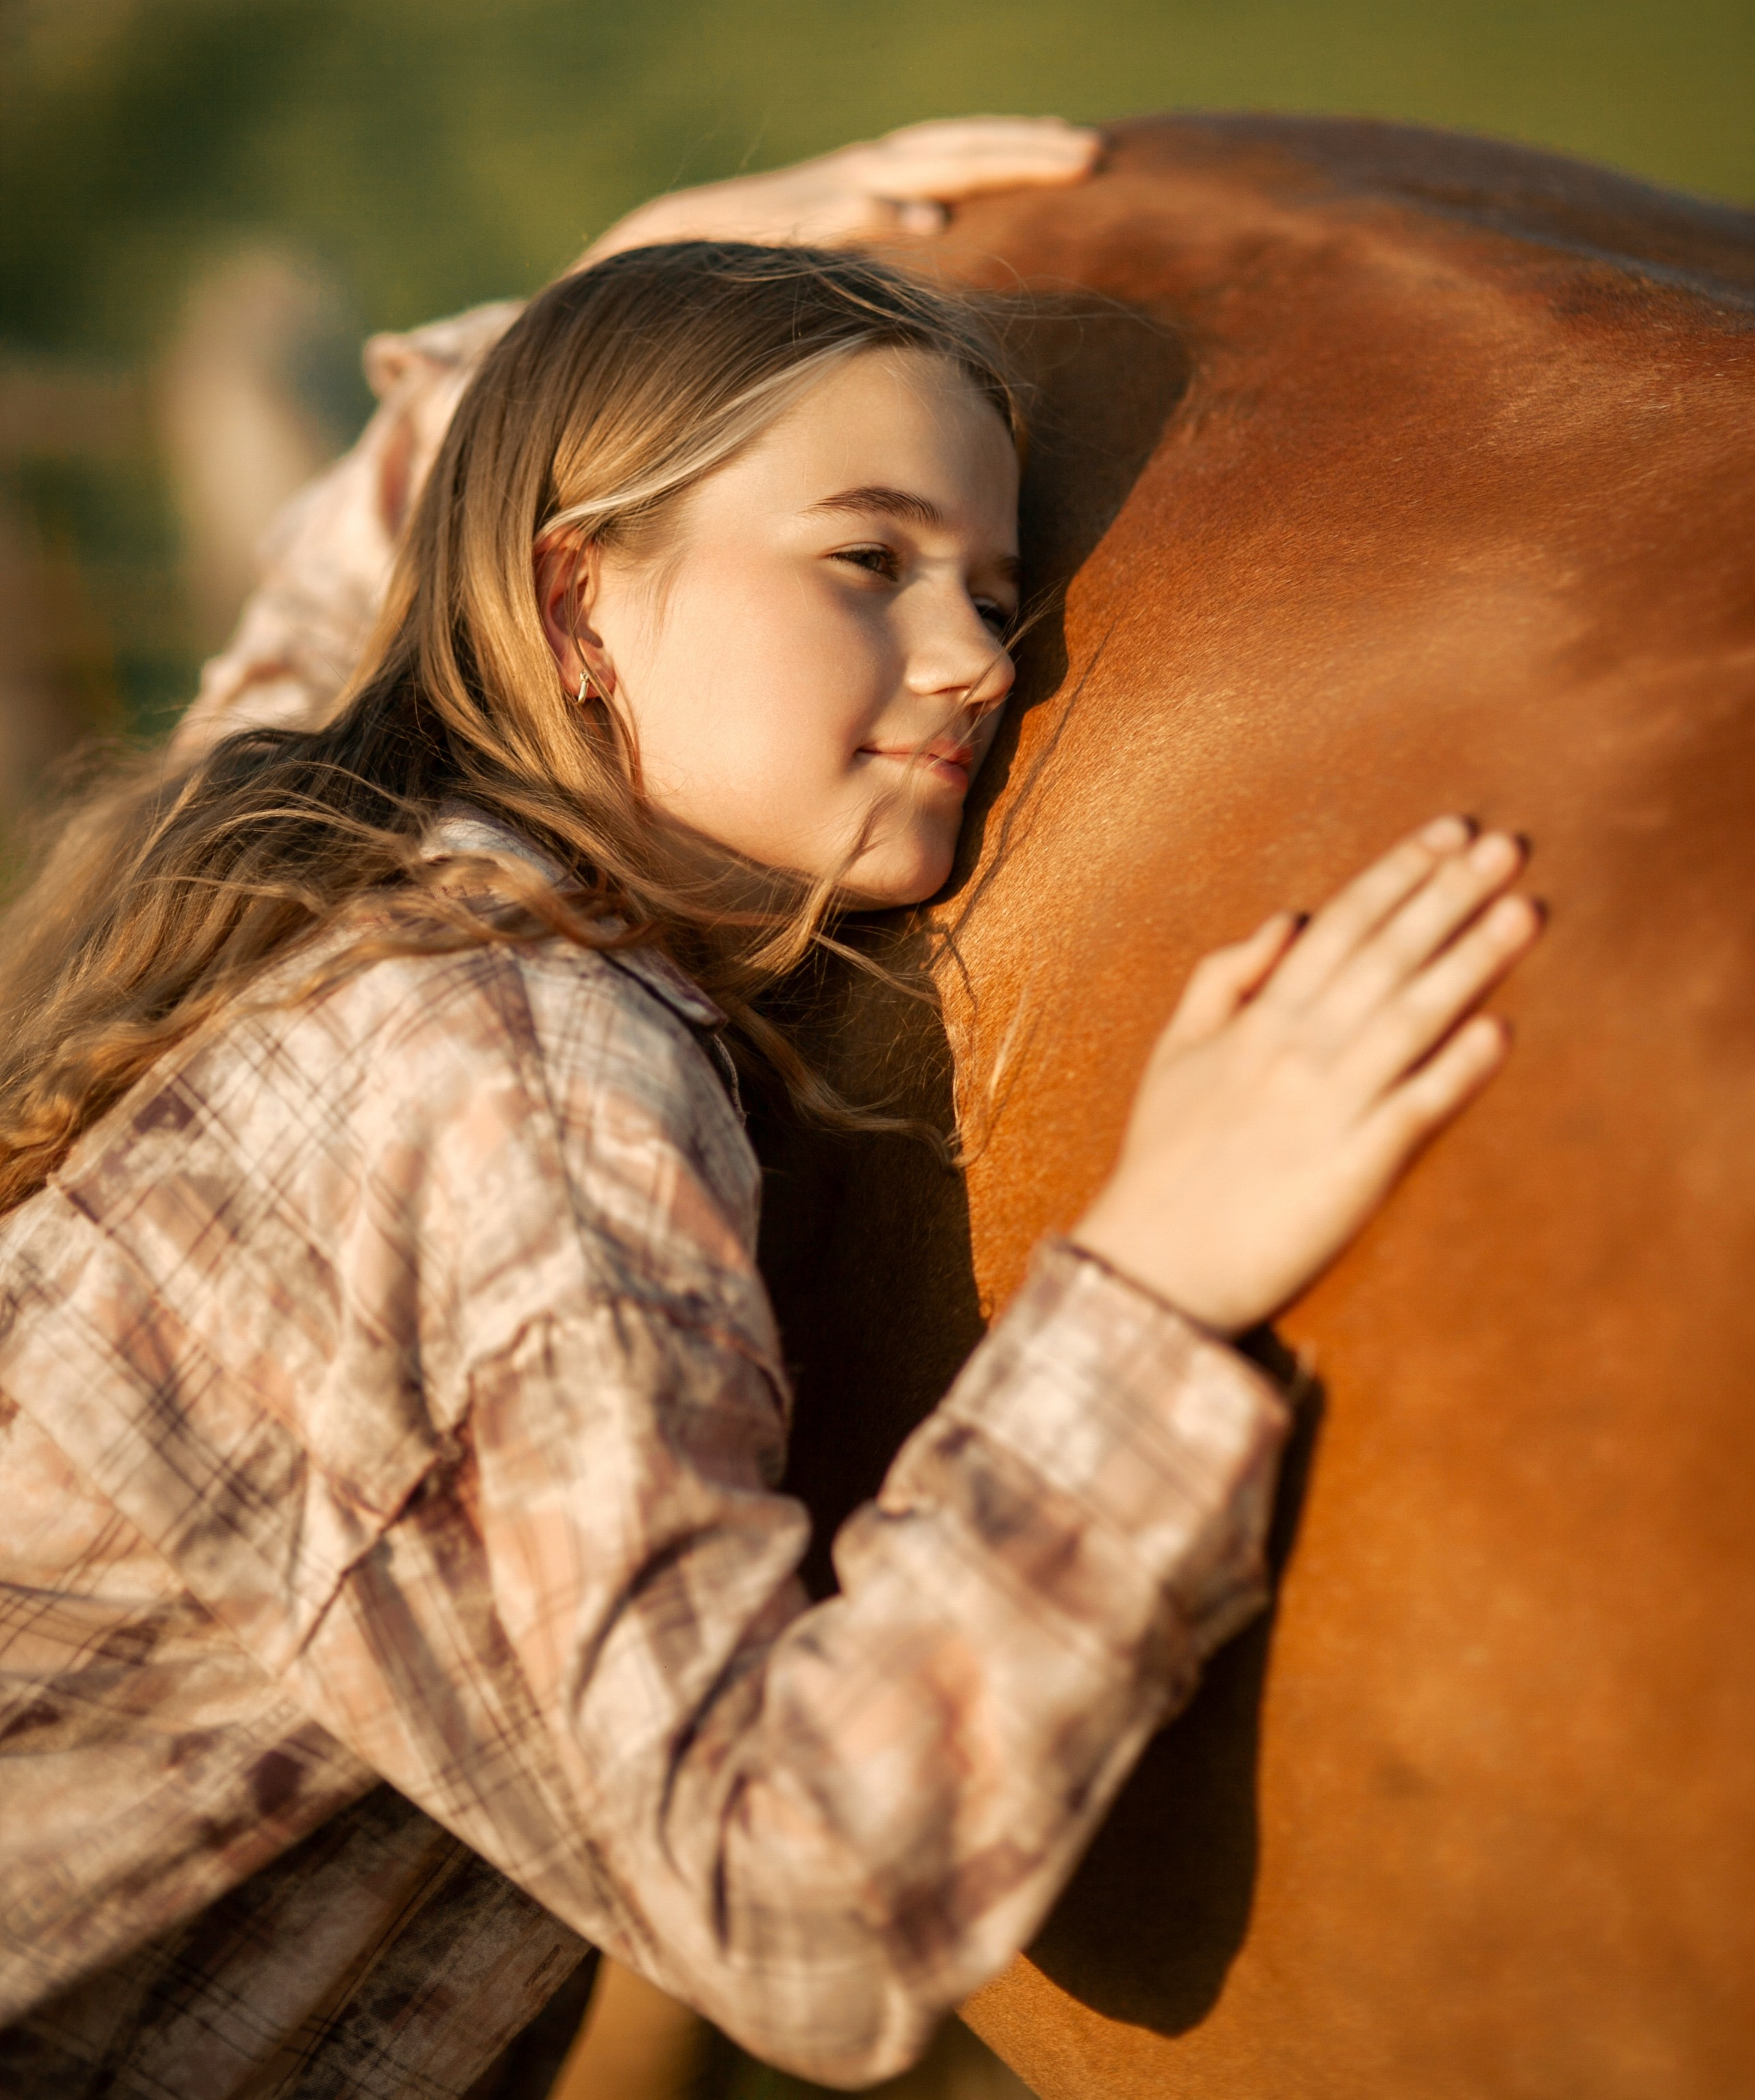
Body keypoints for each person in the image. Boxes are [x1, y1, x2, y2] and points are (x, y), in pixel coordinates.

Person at [0, 119, 1542, 2099]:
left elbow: (320, 630)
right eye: (865, 562)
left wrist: (610, 285)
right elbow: (783, 1895)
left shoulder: (370, 874)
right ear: (572, 605)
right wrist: (1155, 1283)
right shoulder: (508, 1077)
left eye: (989, 582)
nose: (977, 655)